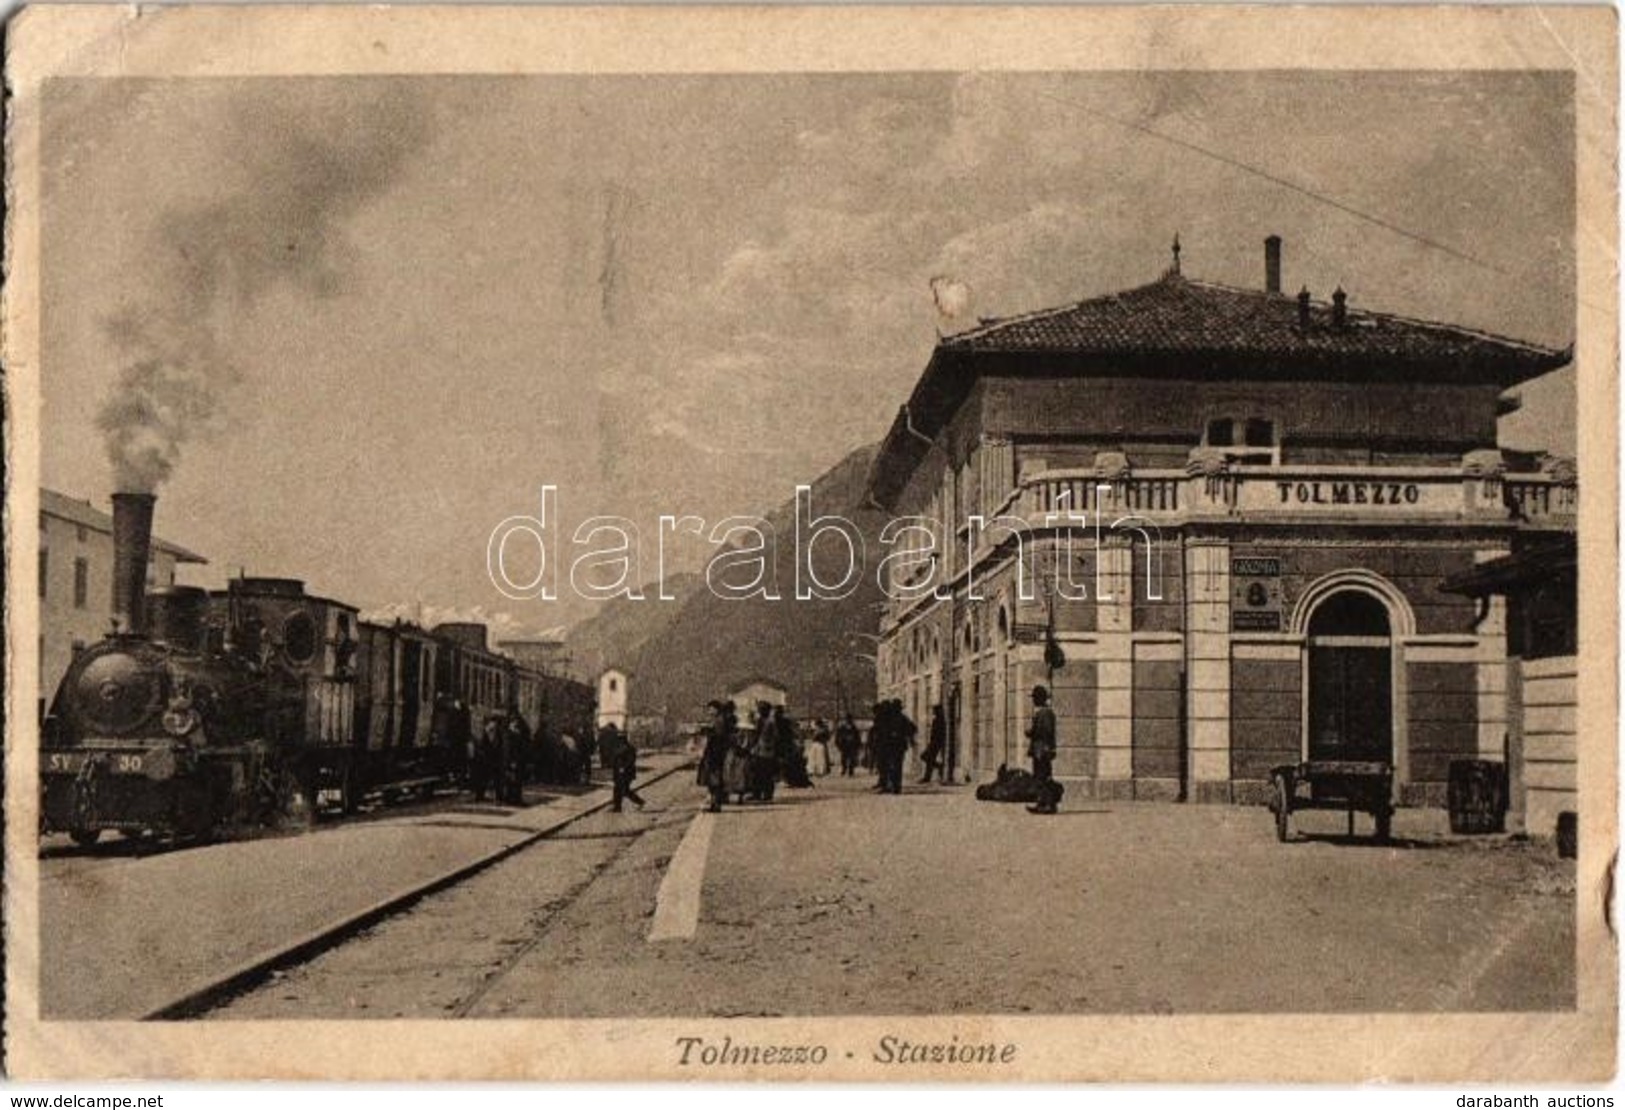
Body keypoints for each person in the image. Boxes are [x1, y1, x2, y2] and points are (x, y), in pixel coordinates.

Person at [1026, 685, 1059, 815]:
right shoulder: (1044, 712)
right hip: (1042, 749)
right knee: (1041, 777)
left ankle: (1047, 804)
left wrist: (1031, 732)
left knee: (1043, 777)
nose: (1033, 700)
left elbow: (1045, 732)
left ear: (1040, 698)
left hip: (1041, 750)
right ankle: (1042, 803)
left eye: (1035, 697)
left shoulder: (1044, 713)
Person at [598, 721, 645, 813]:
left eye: (620, 738)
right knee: (617, 789)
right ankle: (617, 807)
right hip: (619, 772)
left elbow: (630, 761)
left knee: (624, 790)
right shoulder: (618, 748)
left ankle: (640, 802)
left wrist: (623, 767)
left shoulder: (628, 748)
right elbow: (615, 759)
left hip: (626, 773)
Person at [700, 700, 733, 812]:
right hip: (717, 751)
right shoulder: (720, 719)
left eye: (711, 709)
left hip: (715, 752)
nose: (709, 711)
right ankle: (715, 803)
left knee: (714, 779)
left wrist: (707, 732)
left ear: (716, 709)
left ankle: (716, 804)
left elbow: (719, 736)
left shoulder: (720, 720)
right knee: (714, 779)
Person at [919, 704, 947, 784]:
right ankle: (929, 775)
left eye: (935, 710)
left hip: (936, 742)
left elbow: (939, 733)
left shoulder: (940, 720)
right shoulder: (938, 719)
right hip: (934, 742)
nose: (933, 712)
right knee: (928, 759)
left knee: (926, 757)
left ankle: (935, 769)